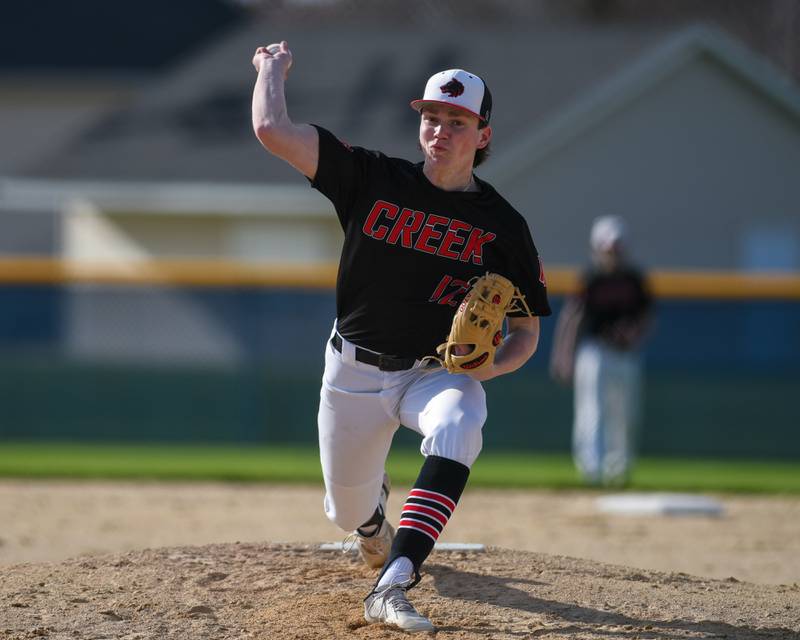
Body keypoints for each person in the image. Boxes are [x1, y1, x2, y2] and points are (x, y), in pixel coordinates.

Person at [251, 41, 551, 633]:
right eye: (431, 117)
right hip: (353, 372)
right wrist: (271, 70)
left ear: (483, 135)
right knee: (346, 511)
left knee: (463, 421)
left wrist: (485, 369)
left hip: (432, 373)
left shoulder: (504, 227)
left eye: (457, 121)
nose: (441, 130)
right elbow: (270, 128)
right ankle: (372, 527)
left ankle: (395, 581)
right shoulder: (371, 178)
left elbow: (526, 332)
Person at [550, 215, 653, 487]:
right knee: (592, 411)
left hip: (626, 354)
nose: (613, 254)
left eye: (616, 248)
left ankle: (618, 470)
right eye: (609, 249)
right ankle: (591, 469)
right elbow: (572, 319)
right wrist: (563, 356)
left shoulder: (634, 279)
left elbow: (645, 316)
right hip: (595, 352)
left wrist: (633, 334)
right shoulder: (591, 279)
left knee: (625, 414)